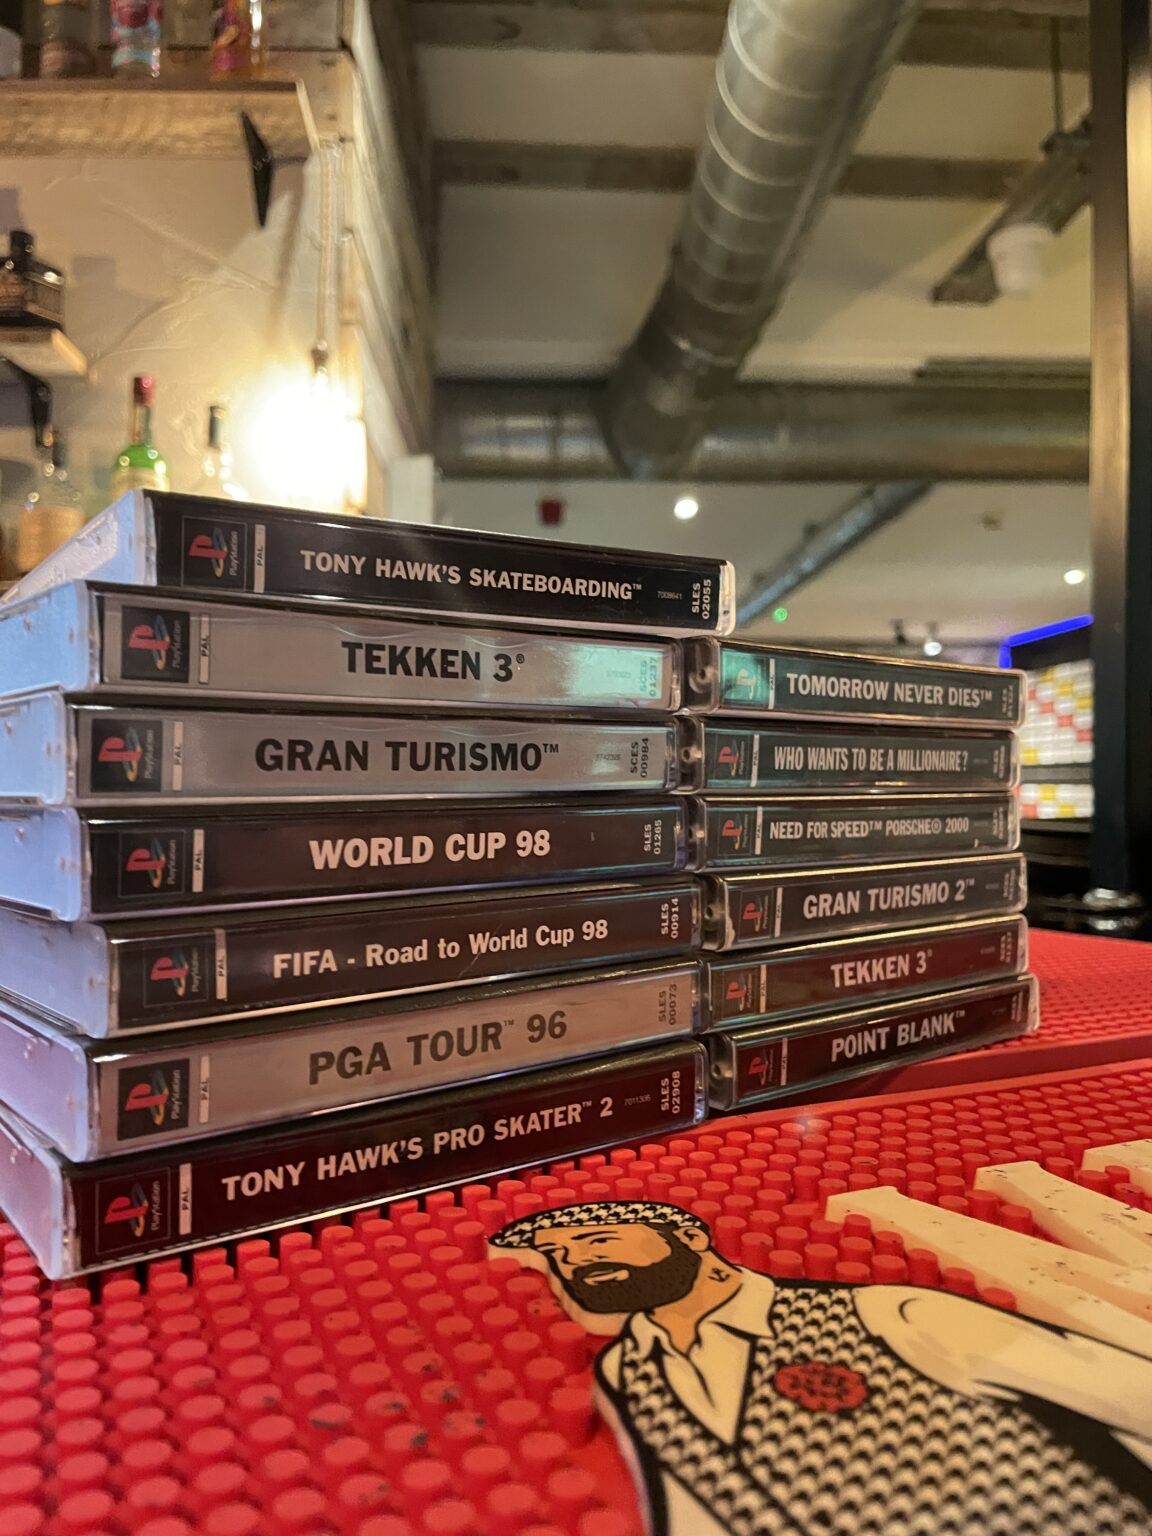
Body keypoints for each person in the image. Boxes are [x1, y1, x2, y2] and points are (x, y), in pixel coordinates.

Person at [492, 1199, 1152, 1536]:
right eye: (558, 1257)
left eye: (596, 1239)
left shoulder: (886, 1313)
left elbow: (1131, 1395)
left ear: (689, 1236)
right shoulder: (630, 1371)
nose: (576, 1262)